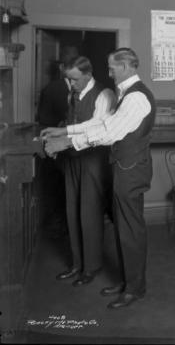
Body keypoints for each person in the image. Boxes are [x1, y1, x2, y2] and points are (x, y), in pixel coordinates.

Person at [44, 48, 156, 310]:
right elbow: (102, 123)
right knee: (123, 228)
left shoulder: (136, 97)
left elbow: (110, 133)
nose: (108, 73)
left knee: (131, 230)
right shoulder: (125, 94)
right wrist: (66, 132)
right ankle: (127, 282)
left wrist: (67, 143)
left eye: (112, 68)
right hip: (124, 167)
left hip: (132, 170)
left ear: (127, 67)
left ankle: (135, 288)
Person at [42, 56, 116, 286]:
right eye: (68, 79)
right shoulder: (73, 92)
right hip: (72, 158)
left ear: (87, 74)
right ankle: (77, 264)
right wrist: (59, 133)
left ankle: (91, 267)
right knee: (72, 210)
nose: (71, 84)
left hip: (93, 161)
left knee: (90, 212)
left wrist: (64, 137)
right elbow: (72, 121)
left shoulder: (105, 95)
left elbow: (98, 127)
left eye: (74, 79)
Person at [35, 45, 79, 239]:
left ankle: (65, 224)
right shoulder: (55, 88)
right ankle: (60, 226)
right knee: (57, 186)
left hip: (67, 144)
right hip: (54, 143)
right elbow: (60, 117)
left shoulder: (64, 87)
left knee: (63, 186)